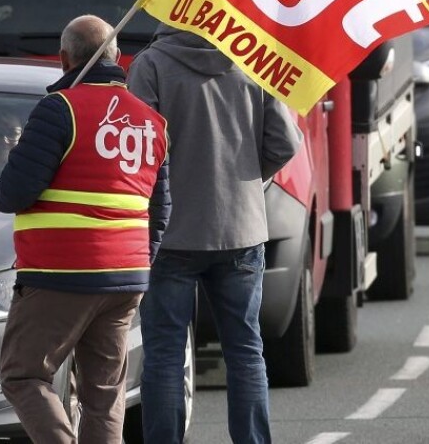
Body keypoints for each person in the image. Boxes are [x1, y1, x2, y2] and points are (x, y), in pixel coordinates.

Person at [0, 14, 171, 444]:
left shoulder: (59, 109)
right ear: (117, 57)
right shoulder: (151, 121)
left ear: (64, 59)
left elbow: (15, 192)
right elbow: (161, 208)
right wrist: (140, 262)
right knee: (104, 395)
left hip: (60, 273)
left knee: (23, 375)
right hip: (126, 277)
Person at [128, 24, 303, 444]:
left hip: (170, 234)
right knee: (245, 351)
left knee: (165, 353)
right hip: (241, 229)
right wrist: (242, 182)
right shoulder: (253, 57)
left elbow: (137, 148)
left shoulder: (151, 65)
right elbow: (285, 143)